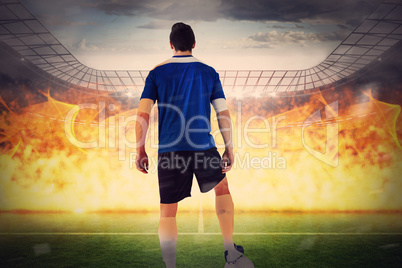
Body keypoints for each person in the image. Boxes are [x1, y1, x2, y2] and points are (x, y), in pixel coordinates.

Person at [135, 22, 253, 267]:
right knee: (222, 190)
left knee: (167, 210)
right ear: (194, 44)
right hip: (203, 147)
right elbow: (223, 113)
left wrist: (140, 149)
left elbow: (142, 114)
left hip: (170, 150)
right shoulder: (208, 72)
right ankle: (230, 252)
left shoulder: (156, 72)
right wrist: (229, 147)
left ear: (171, 45)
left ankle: (170, 266)